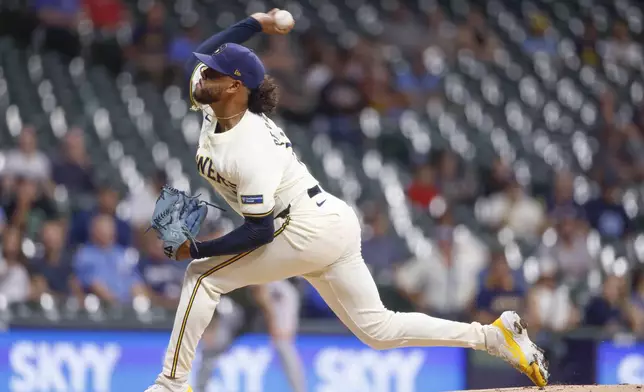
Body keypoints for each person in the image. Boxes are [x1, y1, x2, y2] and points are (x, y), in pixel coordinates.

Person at [144, 10, 549, 392]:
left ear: (235, 86)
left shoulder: (251, 149)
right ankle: (493, 337)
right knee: (379, 331)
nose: (200, 76)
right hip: (328, 219)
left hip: (299, 226)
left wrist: (197, 248)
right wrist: (257, 22)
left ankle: (171, 384)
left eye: (213, 73)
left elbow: (260, 230)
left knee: (202, 275)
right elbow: (217, 46)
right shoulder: (214, 94)